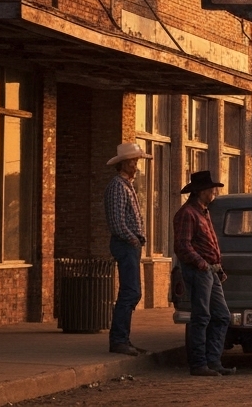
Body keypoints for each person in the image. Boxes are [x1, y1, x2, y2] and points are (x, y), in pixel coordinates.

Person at [173, 170, 233, 377]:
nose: (214, 192)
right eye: (211, 189)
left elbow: (210, 245)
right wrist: (202, 264)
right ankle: (199, 364)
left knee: (222, 315)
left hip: (209, 271)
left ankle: (213, 361)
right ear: (201, 192)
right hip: (199, 270)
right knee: (201, 316)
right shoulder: (187, 214)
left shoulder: (203, 213)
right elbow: (182, 246)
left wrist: (217, 267)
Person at [104, 142, 151, 356]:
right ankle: (119, 339)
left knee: (131, 292)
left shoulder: (127, 185)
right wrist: (133, 239)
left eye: (136, 160)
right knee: (130, 292)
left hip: (130, 245)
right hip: (125, 244)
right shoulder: (117, 186)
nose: (135, 165)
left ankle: (123, 338)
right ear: (122, 163)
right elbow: (117, 223)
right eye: (132, 161)